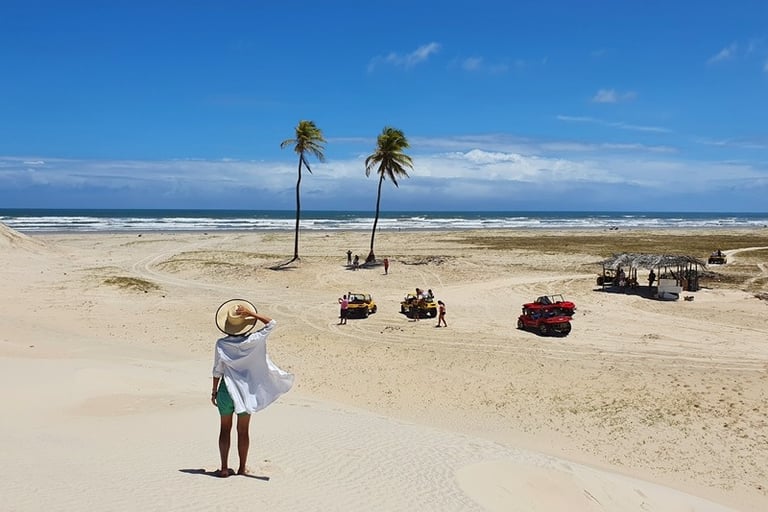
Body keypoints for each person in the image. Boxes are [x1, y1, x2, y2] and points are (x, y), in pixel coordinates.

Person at [211, 299, 294, 478]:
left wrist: (214, 391)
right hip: (245, 392)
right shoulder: (254, 339)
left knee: (224, 429)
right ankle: (241, 468)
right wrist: (251, 314)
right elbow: (271, 323)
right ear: (246, 324)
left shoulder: (221, 344)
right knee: (243, 431)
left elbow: (217, 369)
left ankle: (224, 468)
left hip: (226, 389)